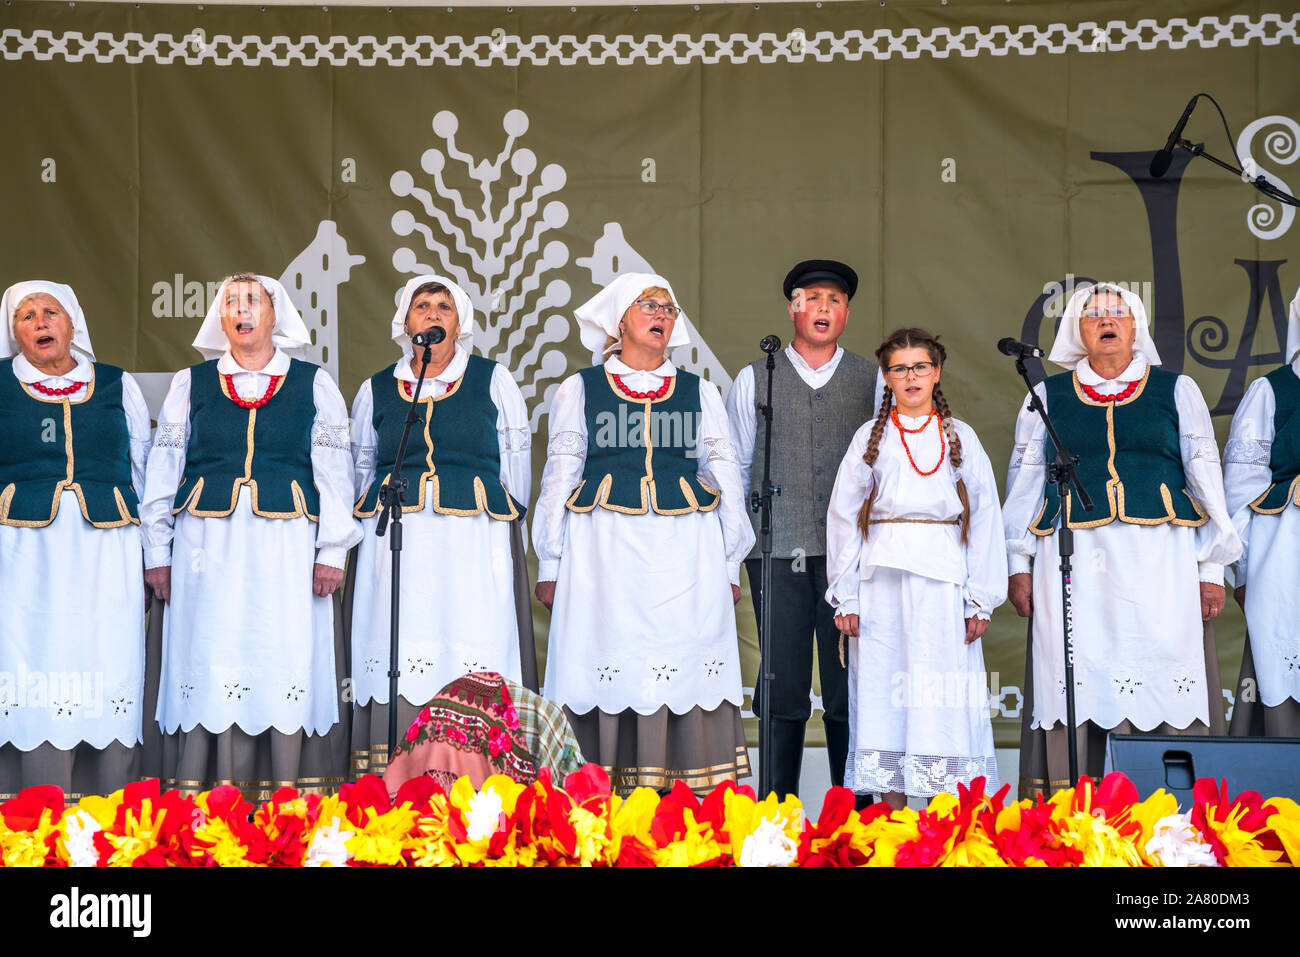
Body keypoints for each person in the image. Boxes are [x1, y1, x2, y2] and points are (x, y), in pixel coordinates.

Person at [1002, 282, 1240, 792]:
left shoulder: (1177, 389)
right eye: (1092, 314)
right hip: (1072, 557)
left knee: (1161, 661)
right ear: (1076, 330)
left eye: (1117, 312)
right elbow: (1023, 484)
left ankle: (1167, 805)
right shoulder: (1047, 395)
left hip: (1160, 559)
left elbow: (1205, 477)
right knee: (1077, 668)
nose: (1105, 320)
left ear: (1135, 326)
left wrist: (1212, 569)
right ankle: (1076, 805)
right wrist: (1017, 565)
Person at [141, 273, 361, 801]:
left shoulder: (313, 383)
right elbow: (164, 467)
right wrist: (157, 551)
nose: (241, 311)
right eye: (231, 303)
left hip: (284, 545)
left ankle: (286, 788)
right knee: (209, 647)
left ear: (274, 315)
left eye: (252, 301)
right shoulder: (190, 383)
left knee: (280, 646)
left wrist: (332, 550)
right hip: (205, 546)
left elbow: (335, 473)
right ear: (221, 319)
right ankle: (205, 787)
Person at [533, 273, 754, 795]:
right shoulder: (580, 389)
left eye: (669, 308)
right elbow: (559, 475)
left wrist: (729, 563)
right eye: (649, 305)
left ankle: (683, 801)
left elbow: (724, 477)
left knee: (680, 663)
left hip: (685, 555)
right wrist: (550, 562)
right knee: (605, 657)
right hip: (603, 554)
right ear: (619, 319)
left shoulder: (699, 392)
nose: (662, 315)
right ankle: (599, 796)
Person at [348, 275, 533, 777]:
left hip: (471, 539)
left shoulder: (493, 380)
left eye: (444, 307)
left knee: (470, 633)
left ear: (460, 322)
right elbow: (362, 468)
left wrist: (496, 518)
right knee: (399, 642)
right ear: (405, 322)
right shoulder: (377, 388)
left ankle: (477, 770)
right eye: (422, 306)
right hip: (398, 543)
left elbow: (516, 466)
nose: (432, 314)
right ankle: (396, 775)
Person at [825, 328, 1005, 810]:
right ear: (886, 377)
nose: (910, 377)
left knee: (939, 693)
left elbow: (986, 516)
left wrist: (980, 597)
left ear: (937, 372)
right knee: (885, 693)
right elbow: (843, 515)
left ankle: (946, 822)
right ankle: (893, 821)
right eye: (899, 368)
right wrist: (846, 595)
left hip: (943, 578)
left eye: (920, 366)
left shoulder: (959, 435)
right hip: (880, 578)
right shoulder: (870, 436)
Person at [725, 259, 883, 800]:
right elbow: (736, 468)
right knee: (781, 686)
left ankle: (857, 820)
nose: (824, 308)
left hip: (853, 557)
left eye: (835, 301)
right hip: (776, 550)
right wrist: (737, 553)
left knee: (848, 688)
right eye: (812, 298)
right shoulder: (756, 375)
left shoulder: (874, 378)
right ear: (792, 307)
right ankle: (776, 818)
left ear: (846, 314)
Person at [0, 281, 152, 800]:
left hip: (104, 552)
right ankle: (25, 807)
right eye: (26, 315)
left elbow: (145, 472)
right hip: (20, 555)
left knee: (104, 657)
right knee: (26, 657)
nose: (40, 322)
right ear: (13, 332)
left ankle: (104, 803)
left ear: (72, 323)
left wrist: (157, 556)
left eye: (51, 312)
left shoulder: (115, 385)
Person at [1223, 283, 1300, 736]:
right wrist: (1245, 572)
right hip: (1287, 547)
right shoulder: (1272, 391)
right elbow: (1241, 489)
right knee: (1283, 655)